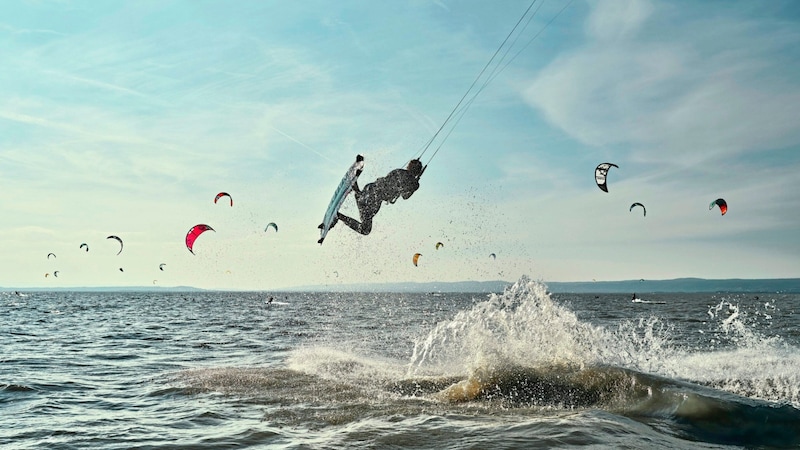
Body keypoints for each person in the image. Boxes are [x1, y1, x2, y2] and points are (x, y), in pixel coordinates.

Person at [335, 159, 424, 235]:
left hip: (371, 187)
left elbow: (389, 180)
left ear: (408, 166)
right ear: (418, 172)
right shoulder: (413, 183)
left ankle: (356, 190)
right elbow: (405, 196)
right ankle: (339, 215)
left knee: (363, 208)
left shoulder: (398, 171)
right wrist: (415, 184)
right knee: (365, 229)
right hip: (376, 197)